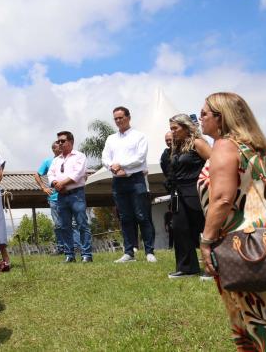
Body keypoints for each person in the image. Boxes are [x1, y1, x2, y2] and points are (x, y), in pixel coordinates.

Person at [198, 92, 266, 349]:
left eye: (204, 114)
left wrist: (206, 240)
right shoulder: (253, 149)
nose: (200, 119)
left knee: (257, 318)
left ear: (221, 117)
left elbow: (223, 199)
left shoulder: (225, 146)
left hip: (244, 246)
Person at [102, 106, 155, 263]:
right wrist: (112, 166)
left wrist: (121, 166)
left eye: (121, 117)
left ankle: (149, 251)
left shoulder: (139, 136)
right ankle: (128, 252)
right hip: (118, 181)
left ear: (128, 117)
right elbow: (105, 157)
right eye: (116, 119)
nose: (118, 121)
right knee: (125, 217)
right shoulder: (111, 138)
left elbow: (140, 158)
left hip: (136, 179)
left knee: (142, 215)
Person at [162, 115, 211, 279]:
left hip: (197, 192)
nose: (172, 132)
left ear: (186, 127)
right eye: (171, 128)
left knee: (205, 229)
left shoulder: (198, 143)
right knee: (180, 229)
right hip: (178, 194)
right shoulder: (177, 147)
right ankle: (187, 268)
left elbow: (215, 163)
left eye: (175, 128)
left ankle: (214, 267)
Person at [48, 131, 92, 263]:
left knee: (82, 224)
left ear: (71, 142)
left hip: (76, 194)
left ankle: (86, 254)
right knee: (64, 226)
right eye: (58, 141)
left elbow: (78, 174)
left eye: (63, 141)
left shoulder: (79, 156)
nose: (60, 143)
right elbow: (50, 174)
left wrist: (62, 183)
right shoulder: (56, 160)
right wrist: (55, 183)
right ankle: (69, 255)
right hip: (61, 196)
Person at [34, 141, 66, 254]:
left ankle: (75, 246)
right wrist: (44, 187)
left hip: (68, 195)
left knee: (72, 223)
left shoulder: (67, 159)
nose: (62, 147)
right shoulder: (48, 162)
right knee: (58, 224)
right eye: (59, 147)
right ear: (54, 149)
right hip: (54, 198)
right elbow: (37, 174)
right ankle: (61, 247)